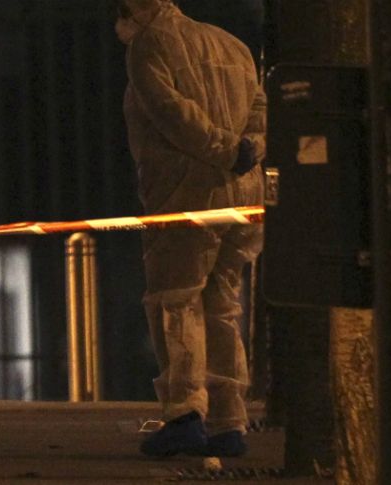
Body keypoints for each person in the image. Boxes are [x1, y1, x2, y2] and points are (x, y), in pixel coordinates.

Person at [114, 0, 267, 458]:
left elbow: (171, 113)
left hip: (186, 194)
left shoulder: (149, 44)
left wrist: (223, 150)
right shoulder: (231, 44)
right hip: (245, 194)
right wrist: (247, 149)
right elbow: (260, 108)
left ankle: (184, 414)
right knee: (222, 305)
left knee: (175, 301)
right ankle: (229, 421)